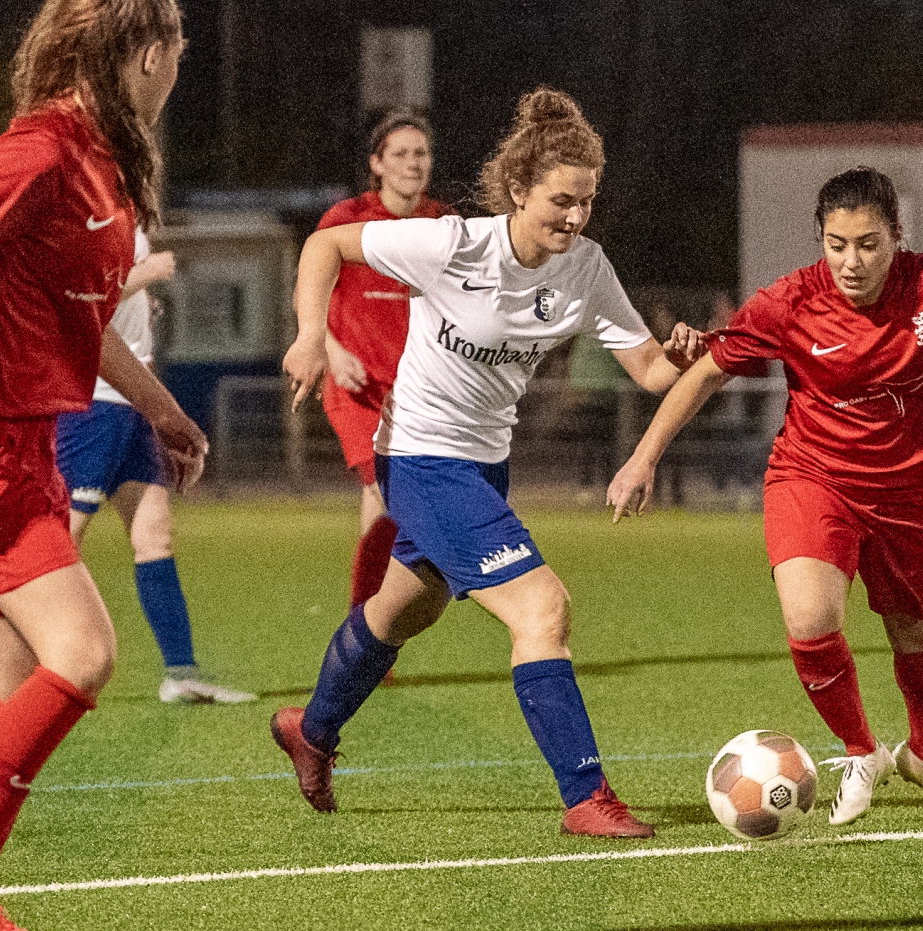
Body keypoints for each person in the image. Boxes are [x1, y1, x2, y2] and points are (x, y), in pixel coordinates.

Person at [607, 166, 923, 827]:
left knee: (920, 638)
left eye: (868, 244)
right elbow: (705, 373)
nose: (851, 261)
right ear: (821, 239)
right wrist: (643, 458)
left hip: (914, 495)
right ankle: (860, 750)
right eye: (836, 244)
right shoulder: (790, 301)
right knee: (811, 618)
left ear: (896, 235)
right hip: (814, 479)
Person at [272, 87, 702, 838]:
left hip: (484, 466)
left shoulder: (585, 268)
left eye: (586, 202)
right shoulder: (453, 244)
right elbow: (324, 246)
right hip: (418, 457)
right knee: (543, 608)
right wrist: (312, 335)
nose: (575, 217)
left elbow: (648, 369)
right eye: (561, 200)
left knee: (405, 609)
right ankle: (587, 797)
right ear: (518, 189)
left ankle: (310, 730)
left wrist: (684, 354)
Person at [0, 0, 206, 931]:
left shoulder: (102, 161)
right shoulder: (39, 152)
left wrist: (161, 408)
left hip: (32, 456)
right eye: (177, 51)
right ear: (145, 55)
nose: (178, 71)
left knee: (20, 682)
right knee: (83, 652)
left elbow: (81, 319)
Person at [55, 232, 255, 704]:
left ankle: (180, 674)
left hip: (133, 405)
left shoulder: (127, 217)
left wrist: (141, 303)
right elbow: (74, 294)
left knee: (155, 536)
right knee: (54, 548)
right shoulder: (89, 212)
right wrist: (147, 273)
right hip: (94, 404)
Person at [314, 113, 448, 613]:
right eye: (400, 154)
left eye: (421, 153)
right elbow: (309, 292)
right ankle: (367, 620)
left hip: (419, 394)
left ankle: (373, 620)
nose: (413, 163)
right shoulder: (347, 219)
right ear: (376, 163)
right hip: (359, 389)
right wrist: (332, 351)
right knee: (384, 490)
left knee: (391, 505)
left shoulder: (442, 224)